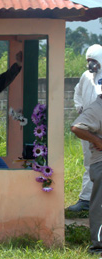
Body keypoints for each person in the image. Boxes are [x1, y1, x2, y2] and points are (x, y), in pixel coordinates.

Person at [68, 44, 102, 212]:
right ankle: (86, 199)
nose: (91, 65)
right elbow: (77, 92)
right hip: (87, 126)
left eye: (94, 61)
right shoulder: (86, 76)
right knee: (90, 162)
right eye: (89, 61)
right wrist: (80, 108)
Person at [71, 95, 102, 254]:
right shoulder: (97, 108)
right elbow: (77, 127)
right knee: (100, 206)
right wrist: (97, 141)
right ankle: (99, 247)